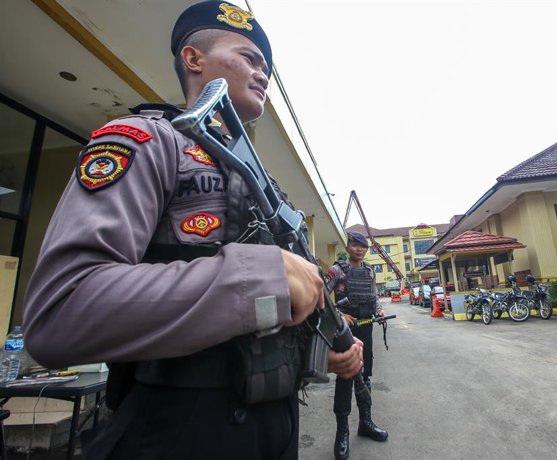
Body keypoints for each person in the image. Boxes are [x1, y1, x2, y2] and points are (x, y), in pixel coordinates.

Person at [22, 2, 363, 459]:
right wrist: (260, 277)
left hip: (276, 427)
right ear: (193, 59)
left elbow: (270, 321)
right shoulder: (146, 141)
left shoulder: (270, 189)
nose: (263, 73)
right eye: (248, 57)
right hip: (178, 430)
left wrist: (325, 348)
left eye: (267, 65)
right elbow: (60, 312)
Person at [326, 231, 389, 460]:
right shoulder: (337, 270)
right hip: (344, 331)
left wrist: (379, 311)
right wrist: (340, 315)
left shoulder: (370, 271)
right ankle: (342, 433)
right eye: (355, 245)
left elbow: (374, 297)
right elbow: (321, 296)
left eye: (363, 246)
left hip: (366, 326)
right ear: (348, 245)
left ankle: (366, 423)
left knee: (365, 376)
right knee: (346, 377)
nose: (359, 249)